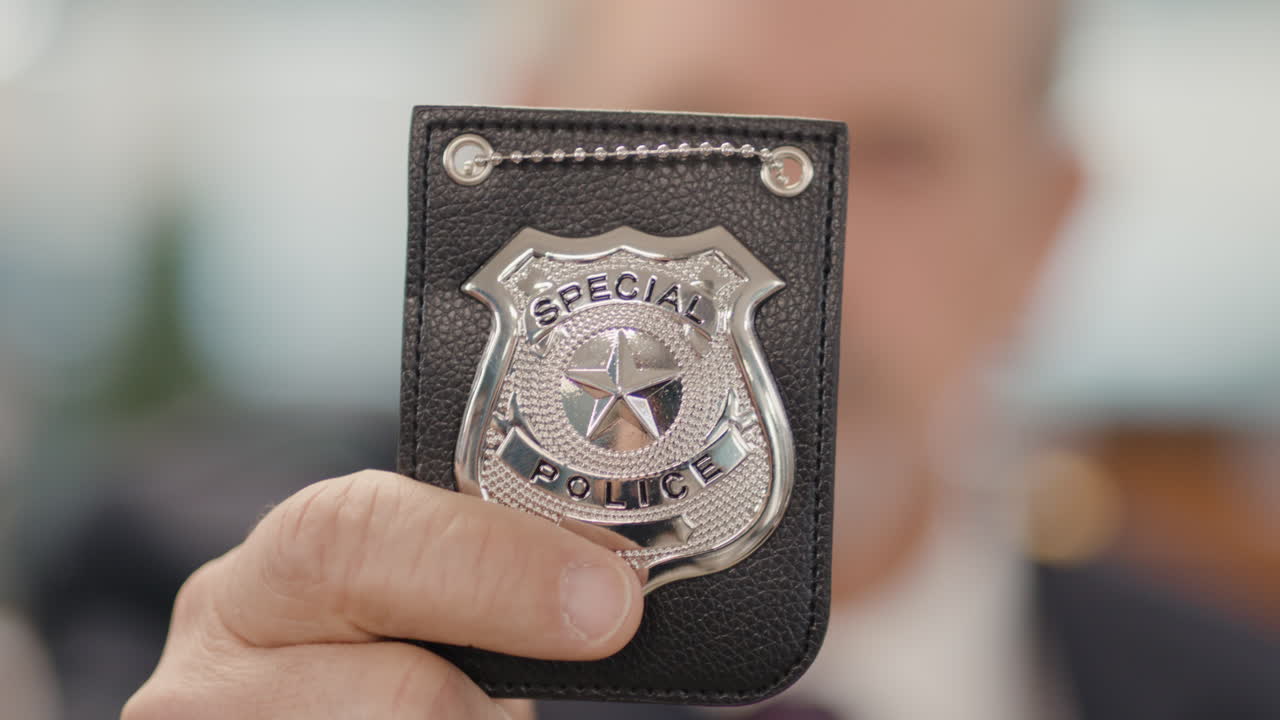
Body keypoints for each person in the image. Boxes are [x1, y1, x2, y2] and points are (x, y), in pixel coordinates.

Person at [125, 1, 1280, 719]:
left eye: (896, 156)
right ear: (533, 151)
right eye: (701, 137)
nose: (781, 262)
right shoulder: (237, 613)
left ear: (1040, 231)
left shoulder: (1240, 686)